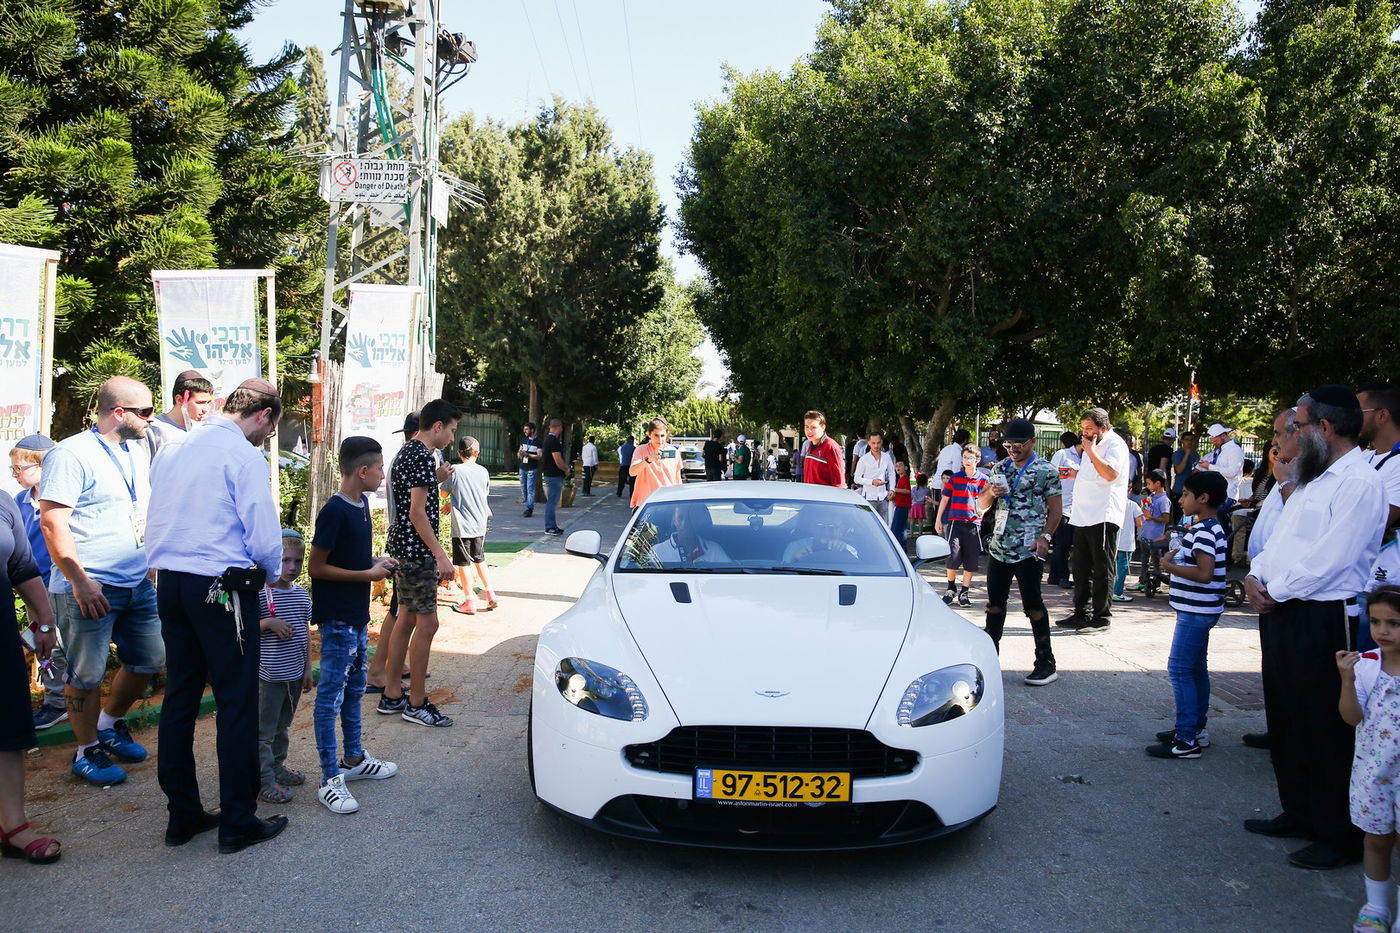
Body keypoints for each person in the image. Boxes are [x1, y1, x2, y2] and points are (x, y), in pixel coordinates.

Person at [1245, 385, 1388, 870]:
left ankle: (1337, 832)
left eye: (1298, 425)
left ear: (1324, 427)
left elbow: (1333, 558)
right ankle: (1299, 811)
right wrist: (1255, 576)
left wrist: (1276, 588)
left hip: (1322, 615)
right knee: (1287, 715)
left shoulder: (1359, 482)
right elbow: (1280, 542)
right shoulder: (1312, 477)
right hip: (1283, 607)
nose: (1292, 433)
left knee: (1324, 725)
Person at [146, 377, 286, 852]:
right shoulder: (243, 455)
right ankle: (238, 821)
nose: (267, 437)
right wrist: (269, 574)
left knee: (180, 697)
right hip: (221, 587)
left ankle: (182, 815)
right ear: (263, 415)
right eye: (270, 428)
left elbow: (159, 511)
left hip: (172, 583)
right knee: (236, 701)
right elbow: (263, 534)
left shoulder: (173, 448)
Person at [40, 376, 163, 786]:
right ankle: (86, 749)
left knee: (149, 659)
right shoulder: (70, 454)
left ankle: (108, 724)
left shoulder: (135, 448)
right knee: (86, 675)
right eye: (145, 412)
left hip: (136, 581)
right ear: (119, 412)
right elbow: (52, 522)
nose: (151, 419)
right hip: (87, 586)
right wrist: (79, 580)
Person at [310, 436, 401, 813]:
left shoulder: (361, 504)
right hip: (337, 621)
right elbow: (316, 568)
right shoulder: (334, 511)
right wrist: (367, 574)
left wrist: (376, 562)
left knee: (354, 689)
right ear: (362, 471)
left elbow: (350, 558)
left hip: (358, 618)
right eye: (379, 468)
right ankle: (329, 777)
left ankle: (354, 759)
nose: (382, 474)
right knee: (330, 697)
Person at [378, 399, 460, 728]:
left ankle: (392, 693)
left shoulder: (408, 452)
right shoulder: (423, 455)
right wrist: (440, 555)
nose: (452, 438)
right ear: (437, 426)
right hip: (416, 552)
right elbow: (416, 512)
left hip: (404, 548)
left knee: (406, 619)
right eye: (451, 430)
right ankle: (416, 702)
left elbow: (413, 503)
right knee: (427, 625)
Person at [1148, 471, 1229, 759]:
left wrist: (1169, 566)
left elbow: (1204, 573)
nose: (1180, 500)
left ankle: (1186, 740)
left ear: (1203, 498)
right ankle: (1195, 728)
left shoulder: (1205, 531)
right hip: (1198, 610)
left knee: (1180, 669)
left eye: (1185, 495)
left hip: (1196, 611)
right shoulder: (1206, 528)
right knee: (1195, 669)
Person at [979, 418, 1063, 687]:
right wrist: (991, 493)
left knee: (1033, 605)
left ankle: (1045, 663)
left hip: (1028, 549)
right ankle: (989, 661)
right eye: (1008, 444)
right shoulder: (1000, 468)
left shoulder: (1045, 470)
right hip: (1000, 547)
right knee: (994, 606)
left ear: (1032, 442)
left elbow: (1056, 509)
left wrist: (1045, 537)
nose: (1013, 448)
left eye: (1018, 444)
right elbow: (981, 504)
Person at [1336, 585, 1400, 933]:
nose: (1382, 631)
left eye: (1394, 623)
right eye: (1375, 622)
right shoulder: (1367, 666)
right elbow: (1351, 718)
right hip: (1374, 773)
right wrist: (1347, 680)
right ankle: (1375, 907)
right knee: (1376, 838)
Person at [1056, 408, 1129, 635]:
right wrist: (1075, 472)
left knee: (1102, 568)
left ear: (1103, 427)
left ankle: (1101, 617)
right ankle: (1082, 613)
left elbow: (1110, 474)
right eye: (1083, 429)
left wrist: (1091, 450)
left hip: (1103, 515)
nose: (1084, 433)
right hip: (1082, 515)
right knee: (1080, 568)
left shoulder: (1114, 444)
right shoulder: (1091, 446)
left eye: (1089, 428)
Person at [11, 435, 65, 730]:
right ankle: (55, 700)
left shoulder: (63, 498)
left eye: (19, 468)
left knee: (62, 645)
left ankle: (62, 701)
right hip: (36, 588)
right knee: (45, 645)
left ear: (42, 465)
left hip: (64, 584)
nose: (15, 474)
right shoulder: (19, 502)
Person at [255, 530, 312, 804]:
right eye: (285, 560)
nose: (292, 567)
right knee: (264, 733)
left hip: (293, 676)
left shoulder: (301, 595)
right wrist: (267, 623)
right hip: (268, 678)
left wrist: (307, 669)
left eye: (297, 561)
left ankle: (277, 768)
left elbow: (305, 633)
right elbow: (243, 629)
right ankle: (264, 780)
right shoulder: (260, 594)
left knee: (282, 726)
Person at [444, 436, 498, 616]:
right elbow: (483, 494)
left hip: (462, 525)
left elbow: (444, 493)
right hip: (479, 524)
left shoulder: (454, 470)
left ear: (459, 453)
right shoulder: (483, 471)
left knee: (463, 563)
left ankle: (469, 601)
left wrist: (451, 501)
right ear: (477, 453)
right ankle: (490, 594)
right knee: (479, 559)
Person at [936, 445, 987, 607]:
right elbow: (944, 499)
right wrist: (938, 519)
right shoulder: (955, 478)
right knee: (952, 556)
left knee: (971, 560)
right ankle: (951, 587)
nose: (967, 461)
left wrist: (983, 511)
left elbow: (988, 500)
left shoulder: (983, 480)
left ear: (978, 460)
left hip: (973, 524)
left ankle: (964, 591)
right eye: (964, 457)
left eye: (970, 458)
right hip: (955, 523)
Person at [1359, 382, 1400, 537]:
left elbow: (1371, 525)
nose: (1351, 419)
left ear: (1382, 415)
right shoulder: (1363, 457)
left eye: (1358, 412)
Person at [144, 369, 214, 457]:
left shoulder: (200, 429)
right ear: (179, 400)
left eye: (208, 402)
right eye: (200, 403)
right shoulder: (154, 429)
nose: (205, 409)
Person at [1048, 432, 1082, 588]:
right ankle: (1062, 576)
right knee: (1062, 544)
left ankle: (1054, 576)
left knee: (1067, 545)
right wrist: (1073, 473)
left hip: (1078, 508)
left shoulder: (1088, 459)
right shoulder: (1063, 454)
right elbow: (1051, 474)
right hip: (1062, 507)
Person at [629, 417, 682, 509]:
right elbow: (632, 472)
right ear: (649, 434)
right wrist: (648, 460)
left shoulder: (674, 452)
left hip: (668, 503)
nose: (660, 440)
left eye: (662, 435)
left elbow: (678, 481)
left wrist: (680, 505)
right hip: (645, 503)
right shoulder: (641, 449)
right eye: (656, 435)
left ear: (667, 434)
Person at [1133, 470, 1172, 592]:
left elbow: (1166, 519)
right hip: (1145, 534)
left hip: (1156, 537)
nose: (1147, 486)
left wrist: (1151, 517)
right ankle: (1143, 581)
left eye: (1149, 483)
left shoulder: (1164, 500)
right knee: (1144, 560)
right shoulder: (1151, 497)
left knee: (1155, 561)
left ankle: (1157, 584)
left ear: (1158, 483)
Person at [853, 432, 896, 524]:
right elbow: (856, 478)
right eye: (873, 443)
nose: (876, 445)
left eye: (878, 442)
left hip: (883, 497)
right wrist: (872, 482)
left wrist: (892, 489)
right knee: (869, 525)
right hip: (869, 497)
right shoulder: (863, 459)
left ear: (881, 442)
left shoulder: (886, 457)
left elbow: (892, 473)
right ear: (868, 442)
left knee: (884, 526)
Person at [800, 411, 845, 487]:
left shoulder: (831, 446)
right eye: (806, 427)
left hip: (824, 494)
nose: (809, 431)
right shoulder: (810, 444)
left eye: (813, 427)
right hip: (809, 493)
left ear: (823, 427)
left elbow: (839, 482)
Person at [1111, 492, 1142, 603]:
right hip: (1126, 542)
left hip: (1113, 540)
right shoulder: (1132, 505)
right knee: (1122, 568)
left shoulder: (1112, 503)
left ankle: (1110, 591)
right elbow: (1139, 523)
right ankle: (1117, 593)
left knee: (1112, 567)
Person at [540, 418, 567, 536]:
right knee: (552, 502)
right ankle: (550, 526)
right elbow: (558, 460)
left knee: (552, 501)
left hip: (549, 474)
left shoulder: (546, 440)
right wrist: (566, 469)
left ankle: (552, 525)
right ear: (558, 427)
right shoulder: (554, 441)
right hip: (554, 475)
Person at [933, 429, 970, 502]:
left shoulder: (946, 448)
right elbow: (956, 472)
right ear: (965, 440)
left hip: (937, 484)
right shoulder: (957, 452)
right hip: (946, 486)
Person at [1171, 432, 1200, 520]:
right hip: (1179, 490)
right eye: (1187, 440)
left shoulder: (1196, 455)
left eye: (1191, 440)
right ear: (1182, 441)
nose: (1189, 442)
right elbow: (1179, 470)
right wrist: (1187, 454)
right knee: (1178, 518)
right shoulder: (1178, 454)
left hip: (1192, 491)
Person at [518, 422, 540, 517]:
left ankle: (529, 508)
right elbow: (519, 451)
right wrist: (519, 454)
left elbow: (539, 456)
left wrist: (527, 455)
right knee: (523, 488)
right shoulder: (524, 440)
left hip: (532, 468)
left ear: (532, 430)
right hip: (522, 467)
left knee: (530, 489)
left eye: (526, 429)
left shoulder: (538, 441)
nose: (525, 431)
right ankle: (527, 503)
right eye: (524, 429)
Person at [889, 461, 912, 542]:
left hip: (902, 507)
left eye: (900, 465)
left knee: (896, 528)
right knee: (900, 528)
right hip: (899, 505)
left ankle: (899, 545)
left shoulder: (905, 478)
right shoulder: (900, 479)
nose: (898, 467)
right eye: (896, 466)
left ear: (905, 468)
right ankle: (901, 545)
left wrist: (894, 489)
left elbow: (907, 491)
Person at [616, 435, 636, 499]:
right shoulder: (634, 448)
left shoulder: (622, 447)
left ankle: (619, 492)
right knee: (632, 481)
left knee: (622, 480)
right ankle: (631, 494)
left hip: (623, 465)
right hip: (631, 466)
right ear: (632, 440)